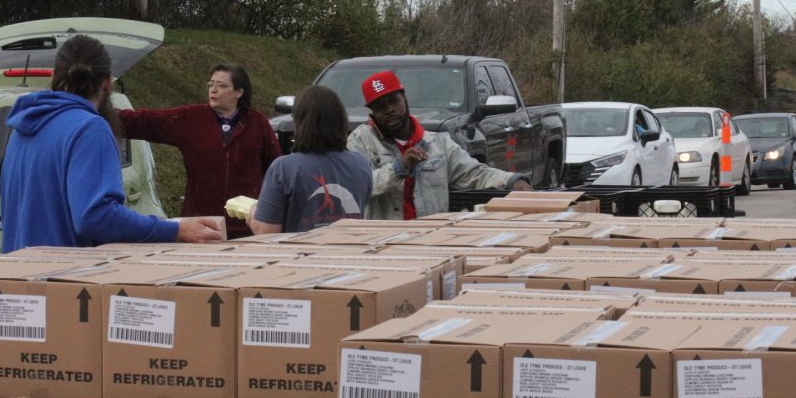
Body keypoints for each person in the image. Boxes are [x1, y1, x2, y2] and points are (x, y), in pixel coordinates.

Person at [0, 34, 223, 252]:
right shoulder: (90, 128)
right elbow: (96, 216)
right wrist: (174, 230)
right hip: (65, 279)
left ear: (54, 76)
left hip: (18, 278)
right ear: (107, 83)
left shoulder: (24, 125)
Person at [118, 63, 281, 238]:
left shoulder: (258, 123)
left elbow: (276, 171)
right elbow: (144, 121)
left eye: (222, 85)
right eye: (211, 84)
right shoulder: (191, 118)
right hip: (201, 225)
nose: (214, 90)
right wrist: (100, 112)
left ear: (238, 92)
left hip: (247, 228)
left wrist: (266, 211)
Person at [347, 70, 531, 220]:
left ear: (405, 99)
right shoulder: (360, 141)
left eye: (393, 101)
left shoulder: (437, 143)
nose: (389, 110)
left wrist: (513, 181)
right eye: (380, 107)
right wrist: (398, 169)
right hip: (383, 244)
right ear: (372, 113)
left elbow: (474, 173)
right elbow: (358, 187)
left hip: (430, 241)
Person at [248, 85, 372, 233]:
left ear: (299, 122)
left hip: (298, 255)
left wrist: (253, 214)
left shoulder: (284, 168)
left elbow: (266, 232)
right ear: (341, 120)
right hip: (346, 253)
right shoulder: (361, 164)